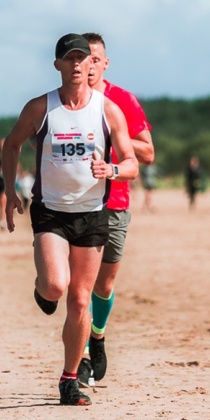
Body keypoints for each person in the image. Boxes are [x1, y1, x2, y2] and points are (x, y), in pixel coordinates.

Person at [2, 33, 138, 406]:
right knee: (56, 287)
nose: (78, 64)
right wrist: (10, 189)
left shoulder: (108, 110)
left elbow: (132, 162)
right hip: (51, 212)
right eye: (70, 59)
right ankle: (42, 287)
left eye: (83, 58)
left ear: (91, 64)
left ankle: (69, 380)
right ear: (58, 65)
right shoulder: (40, 108)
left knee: (81, 301)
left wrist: (110, 168)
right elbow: (11, 144)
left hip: (92, 215)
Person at [77, 32, 155, 387]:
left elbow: (149, 152)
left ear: (105, 63)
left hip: (116, 202)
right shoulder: (69, 101)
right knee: (81, 284)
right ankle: (78, 358)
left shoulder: (123, 100)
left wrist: (115, 138)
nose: (89, 65)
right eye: (83, 58)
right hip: (77, 203)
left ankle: (98, 335)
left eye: (95, 59)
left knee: (104, 285)